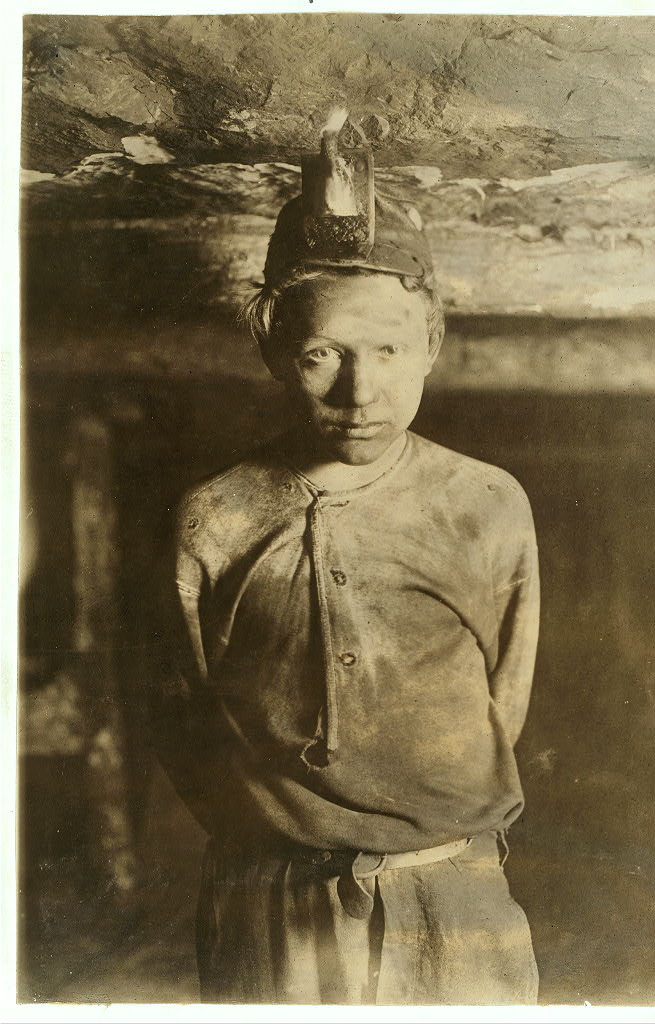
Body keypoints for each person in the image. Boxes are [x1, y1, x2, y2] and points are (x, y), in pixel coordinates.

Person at [153, 111, 540, 1005]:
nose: (360, 393)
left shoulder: (485, 504)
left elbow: (502, 703)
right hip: (268, 903)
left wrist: (417, 839)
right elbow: (181, 710)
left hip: (450, 895)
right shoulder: (214, 516)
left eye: (390, 352)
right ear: (271, 349)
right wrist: (279, 848)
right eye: (322, 354)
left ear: (432, 345)